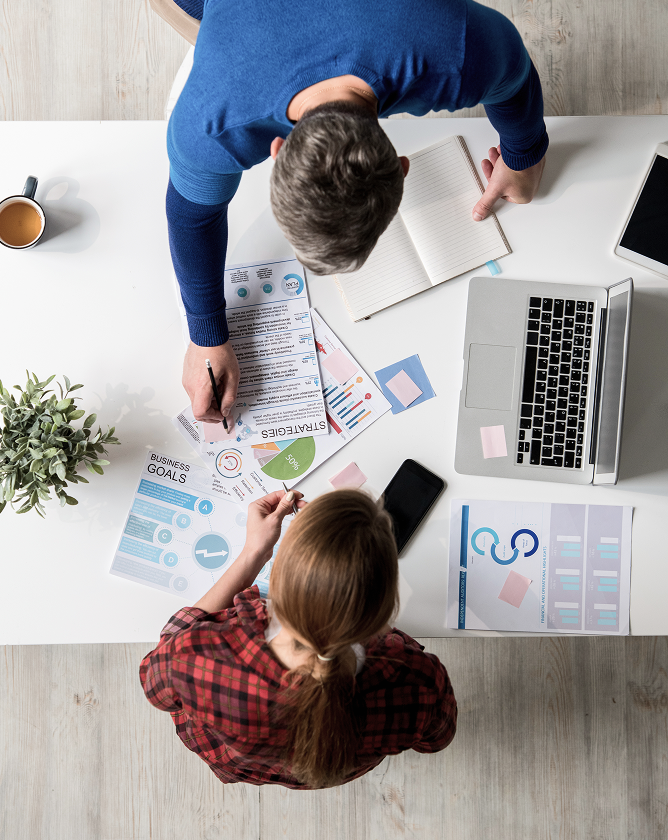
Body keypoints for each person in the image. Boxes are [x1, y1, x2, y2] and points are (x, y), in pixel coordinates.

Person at [150, 0, 548, 425]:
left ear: (276, 149)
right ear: (401, 167)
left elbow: (515, 75)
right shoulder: (207, 124)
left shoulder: (458, 46)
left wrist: (525, 155)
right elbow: (192, 216)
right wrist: (205, 335)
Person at [139, 488, 457, 789]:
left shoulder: (195, 660)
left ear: (275, 579)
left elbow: (154, 680)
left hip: (241, 763)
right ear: (383, 612)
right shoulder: (417, 682)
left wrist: (253, 552)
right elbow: (437, 739)